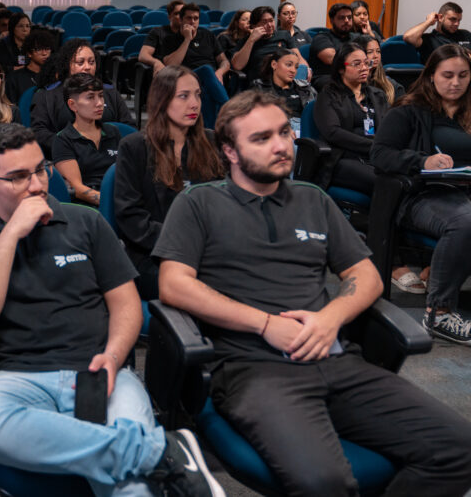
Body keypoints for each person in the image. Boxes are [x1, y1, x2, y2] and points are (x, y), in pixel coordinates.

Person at [154, 89, 471, 496]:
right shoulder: (199, 203)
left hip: (337, 360)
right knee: (325, 483)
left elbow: (367, 276)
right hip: (255, 369)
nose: (281, 146)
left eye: (284, 132)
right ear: (230, 152)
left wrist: (330, 318)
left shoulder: (313, 199)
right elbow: (173, 284)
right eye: (261, 138)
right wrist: (266, 325)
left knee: (459, 450)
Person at [0, 123, 224, 497]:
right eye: (18, 177)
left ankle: (144, 457)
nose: (37, 186)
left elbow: (126, 304)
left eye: (40, 170)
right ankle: (160, 453)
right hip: (18, 378)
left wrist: (112, 357)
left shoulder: (88, 222)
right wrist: (11, 234)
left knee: (134, 486)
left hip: (99, 372)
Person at [371, 44, 471, 344]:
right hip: (424, 195)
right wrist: (421, 160)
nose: (456, 82)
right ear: (430, 76)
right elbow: (380, 154)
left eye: (463, 75)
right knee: (466, 222)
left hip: (465, 192)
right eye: (448, 75)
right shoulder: (408, 110)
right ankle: (438, 313)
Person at [113, 66, 223, 300]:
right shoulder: (134, 147)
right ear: (162, 100)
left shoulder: (212, 142)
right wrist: (185, 242)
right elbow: (130, 217)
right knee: (203, 290)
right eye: (183, 96)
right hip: (155, 255)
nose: (194, 104)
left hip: (209, 252)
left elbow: (226, 203)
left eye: (197, 95)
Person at [31, 39, 133, 156]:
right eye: (80, 63)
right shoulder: (46, 95)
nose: (87, 67)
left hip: (108, 154)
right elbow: (39, 132)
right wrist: (71, 146)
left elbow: (128, 126)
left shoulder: (110, 92)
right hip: (65, 156)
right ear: (67, 65)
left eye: (91, 62)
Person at [312, 43, 389, 195]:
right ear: (341, 69)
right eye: (356, 64)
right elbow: (333, 133)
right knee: (385, 183)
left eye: (366, 63)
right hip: (342, 157)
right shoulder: (329, 95)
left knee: (405, 179)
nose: (364, 68)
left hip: (375, 156)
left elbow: (389, 128)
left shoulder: (377, 95)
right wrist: (372, 145)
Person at [52, 73, 121, 207]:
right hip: (89, 207)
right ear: (73, 105)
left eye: (101, 95)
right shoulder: (63, 140)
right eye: (90, 97)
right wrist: (112, 203)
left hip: (118, 197)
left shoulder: (113, 132)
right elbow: (77, 189)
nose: (100, 103)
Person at [140, 2, 229, 81]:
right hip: (186, 77)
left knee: (209, 72)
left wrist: (220, 72)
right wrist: (187, 39)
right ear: (180, 19)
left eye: (196, 18)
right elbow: (170, 65)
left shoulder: (208, 35)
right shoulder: (168, 37)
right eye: (189, 18)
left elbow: (223, 60)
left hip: (211, 77)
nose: (192, 22)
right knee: (206, 70)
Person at [232, 5, 309, 84]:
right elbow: (237, 65)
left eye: (271, 21)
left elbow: (298, 57)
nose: (269, 25)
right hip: (261, 83)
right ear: (254, 25)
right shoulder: (246, 41)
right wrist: (251, 40)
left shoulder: (284, 35)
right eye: (264, 22)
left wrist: (307, 69)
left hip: (284, 80)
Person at [253, 48, 316, 127]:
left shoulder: (305, 87)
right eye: (288, 65)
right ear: (274, 65)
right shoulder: (260, 87)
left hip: (304, 128)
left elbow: (317, 112)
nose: (293, 70)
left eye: (296, 67)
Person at [402, 2, 471, 64]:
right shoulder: (429, 39)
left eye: (459, 20)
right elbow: (408, 37)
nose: (457, 24)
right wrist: (428, 21)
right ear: (440, 18)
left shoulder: (465, 34)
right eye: (453, 19)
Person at [310, 3, 360, 89]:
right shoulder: (322, 38)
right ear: (332, 20)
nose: (347, 20)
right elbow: (332, 59)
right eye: (342, 18)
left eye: (349, 17)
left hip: (352, 74)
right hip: (327, 77)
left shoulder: (357, 37)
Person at [5, 28, 54, 103]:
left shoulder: (53, 76)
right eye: (39, 49)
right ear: (29, 53)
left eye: (47, 49)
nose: (44, 53)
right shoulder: (14, 78)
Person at [359, 34, 404, 105]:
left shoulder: (392, 85)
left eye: (378, 51)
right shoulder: (355, 85)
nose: (375, 56)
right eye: (370, 52)